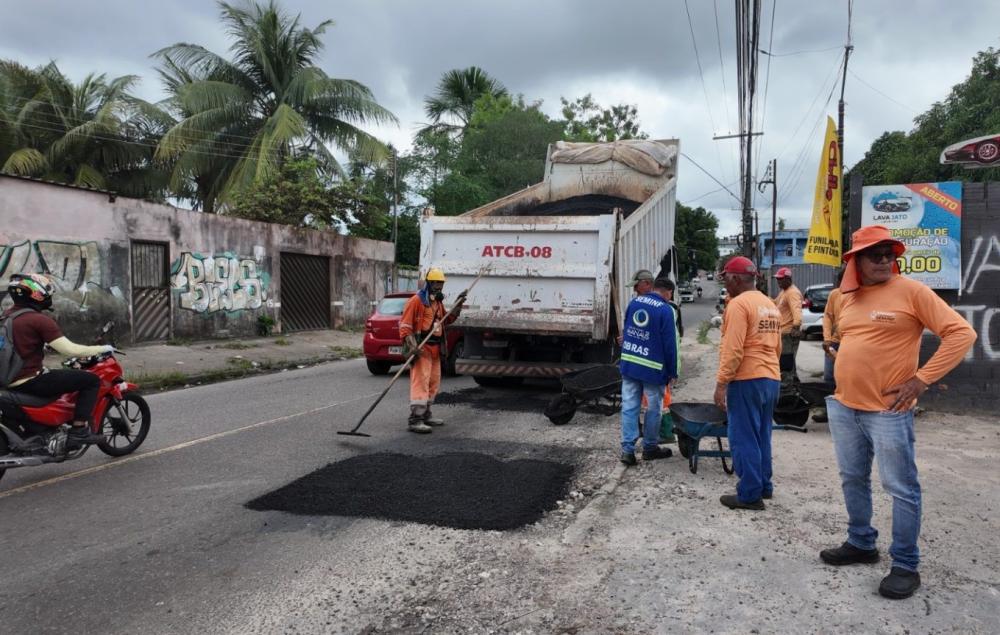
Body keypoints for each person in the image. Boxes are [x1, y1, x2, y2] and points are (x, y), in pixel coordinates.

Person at [820, 225, 976, 600]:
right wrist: (843, 354)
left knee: (901, 489)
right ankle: (861, 543)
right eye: (876, 254)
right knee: (852, 478)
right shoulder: (847, 296)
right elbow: (852, 335)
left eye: (890, 253)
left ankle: (905, 564)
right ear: (855, 260)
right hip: (845, 406)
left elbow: (962, 334)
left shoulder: (912, 291)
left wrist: (921, 380)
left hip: (888, 411)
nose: (886, 260)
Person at [3, 273, 114, 448]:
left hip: (7, 378)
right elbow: (69, 350)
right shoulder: (39, 320)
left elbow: (20, 343)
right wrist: (102, 348)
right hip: (28, 380)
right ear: (37, 293)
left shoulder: (6, 317)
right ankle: (79, 431)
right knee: (90, 380)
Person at [712, 257, 781, 510]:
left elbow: (733, 349)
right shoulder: (769, 303)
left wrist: (722, 383)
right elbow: (778, 345)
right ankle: (764, 485)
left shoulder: (739, 304)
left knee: (743, 437)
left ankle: (750, 494)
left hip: (746, 378)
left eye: (726, 279)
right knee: (762, 434)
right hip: (770, 378)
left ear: (736, 278)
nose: (725, 284)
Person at [618, 277, 678, 465]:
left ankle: (627, 451)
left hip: (630, 364)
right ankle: (650, 447)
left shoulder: (634, 302)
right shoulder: (665, 310)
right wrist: (672, 371)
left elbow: (627, 330)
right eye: (670, 295)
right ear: (668, 292)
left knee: (629, 407)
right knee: (654, 409)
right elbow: (670, 344)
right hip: (652, 369)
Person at [398, 268, 465, 434]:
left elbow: (446, 320)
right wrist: (412, 344)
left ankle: (426, 414)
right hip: (422, 348)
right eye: (436, 283)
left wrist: (458, 305)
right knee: (421, 382)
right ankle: (415, 419)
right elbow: (405, 326)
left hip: (436, 348)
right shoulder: (416, 301)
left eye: (441, 283)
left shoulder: (437, 303)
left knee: (433, 382)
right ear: (429, 283)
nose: (439, 286)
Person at [773, 267, 802, 385]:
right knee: (789, 363)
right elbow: (775, 303)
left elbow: (797, 312)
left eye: (780, 279)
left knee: (786, 363)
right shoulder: (784, 292)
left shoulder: (792, 293)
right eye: (777, 279)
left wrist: (795, 327)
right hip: (783, 332)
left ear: (788, 279)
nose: (778, 282)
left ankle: (788, 387)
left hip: (788, 333)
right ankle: (794, 385)